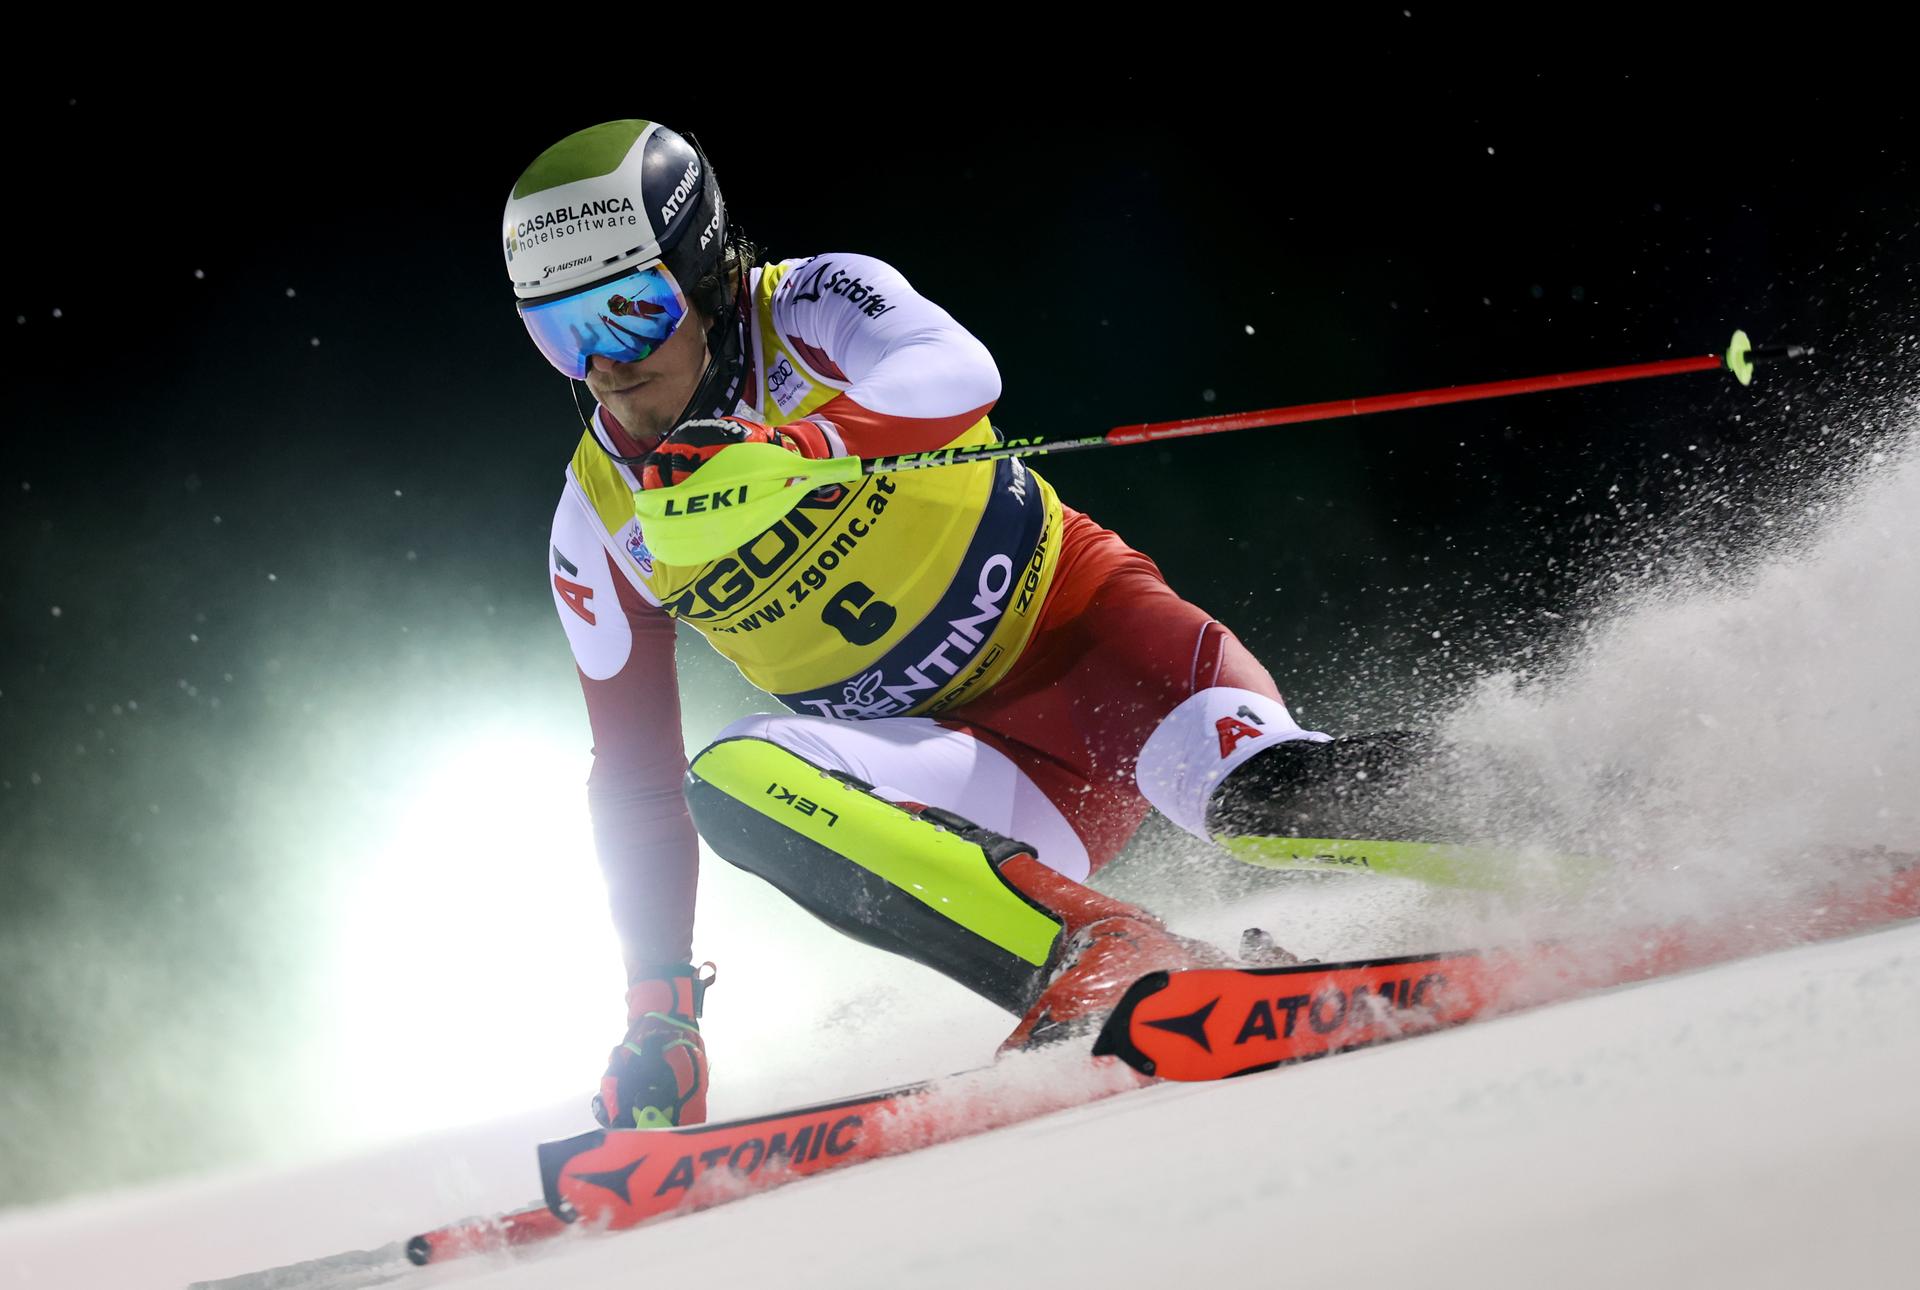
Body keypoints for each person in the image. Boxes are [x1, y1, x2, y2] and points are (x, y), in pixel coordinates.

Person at [503, 119, 1421, 1131]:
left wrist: (799, 445)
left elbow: (957, 369)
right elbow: (634, 780)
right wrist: (659, 1015)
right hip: (971, 777)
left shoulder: (810, 305)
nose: (606, 366)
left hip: (1095, 649)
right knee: (729, 780)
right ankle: (1103, 956)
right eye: (561, 332)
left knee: (1272, 804)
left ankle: (1579, 813)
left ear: (710, 276)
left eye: (630, 312)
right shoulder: (595, 526)